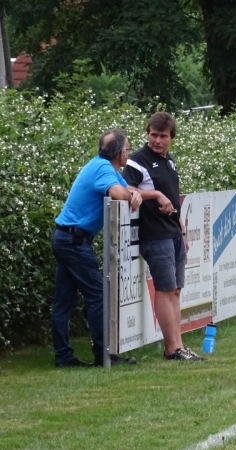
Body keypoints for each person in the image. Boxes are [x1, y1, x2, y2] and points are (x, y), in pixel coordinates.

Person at [52, 129, 143, 367]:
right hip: (73, 240)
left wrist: (135, 194)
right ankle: (104, 355)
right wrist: (131, 195)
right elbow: (117, 193)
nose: (128, 154)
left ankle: (64, 357)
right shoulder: (103, 169)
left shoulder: (101, 166)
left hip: (66, 237)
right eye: (128, 149)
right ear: (121, 154)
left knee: (63, 301)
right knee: (98, 296)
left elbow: (129, 189)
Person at [122, 112, 203, 361]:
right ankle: (171, 349)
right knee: (165, 290)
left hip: (173, 233)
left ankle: (179, 345)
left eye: (163, 136)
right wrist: (155, 195)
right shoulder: (136, 161)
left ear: (171, 138)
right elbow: (124, 189)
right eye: (153, 135)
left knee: (176, 290)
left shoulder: (170, 161)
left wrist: (182, 229)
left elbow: (173, 197)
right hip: (154, 234)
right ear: (147, 134)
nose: (157, 140)